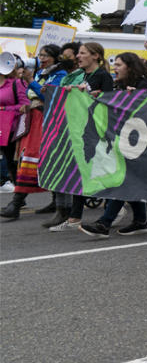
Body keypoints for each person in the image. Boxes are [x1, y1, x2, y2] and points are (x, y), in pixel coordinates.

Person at [78, 53, 147, 237]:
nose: (115, 68)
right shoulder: (118, 85)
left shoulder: (144, 84)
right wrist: (99, 96)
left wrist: (136, 97)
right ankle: (140, 221)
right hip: (122, 138)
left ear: (129, 67)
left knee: (125, 179)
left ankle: (105, 223)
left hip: (141, 139)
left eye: (119, 65)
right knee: (130, 179)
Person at [48, 42, 114, 233]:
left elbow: (109, 102)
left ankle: (118, 207)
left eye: (83, 53)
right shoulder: (82, 75)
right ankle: (74, 218)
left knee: (101, 173)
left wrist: (95, 95)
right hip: (81, 130)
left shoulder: (103, 75)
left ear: (95, 56)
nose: (78, 56)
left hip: (97, 132)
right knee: (81, 173)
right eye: (78, 53)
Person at [0, 46, 71, 220]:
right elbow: (32, 94)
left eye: (45, 55)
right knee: (30, 158)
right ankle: (54, 201)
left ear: (55, 58)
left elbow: (51, 97)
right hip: (34, 120)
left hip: (48, 122)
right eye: (40, 55)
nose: (42, 58)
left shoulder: (60, 75)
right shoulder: (42, 73)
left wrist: (31, 81)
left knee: (33, 158)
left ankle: (16, 204)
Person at [0, 57, 30, 204]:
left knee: (13, 162)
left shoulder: (15, 83)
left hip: (10, 129)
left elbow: (25, 105)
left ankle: (18, 198)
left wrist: (4, 109)